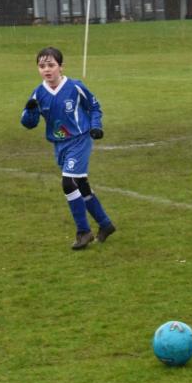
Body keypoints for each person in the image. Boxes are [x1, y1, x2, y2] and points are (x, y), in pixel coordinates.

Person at [21, 47, 115, 250]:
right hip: (59, 144)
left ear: (61, 67)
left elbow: (94, 107)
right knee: (81, 185)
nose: (47, 70)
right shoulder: (38, 94)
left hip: (79, 140)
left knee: (67, 182)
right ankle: (105, 224)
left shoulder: (74, 87)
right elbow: (29, 123)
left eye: (51, 65)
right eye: (42, 66)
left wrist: (96, 126)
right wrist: (29, 112)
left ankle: (83, 231)